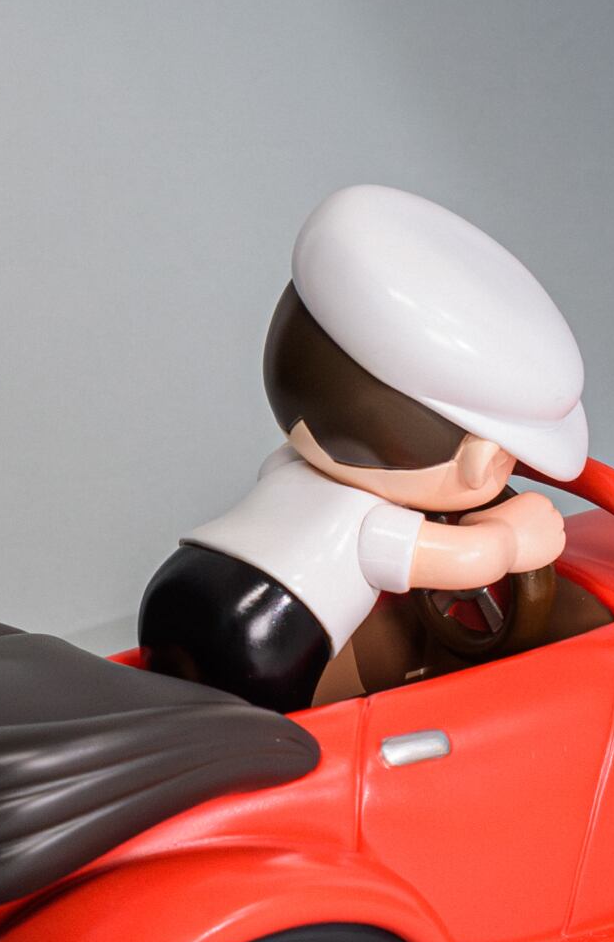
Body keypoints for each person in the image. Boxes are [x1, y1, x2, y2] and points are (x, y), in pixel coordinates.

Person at [140, 184, 588, 712]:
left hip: (176, 586)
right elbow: (467, 558)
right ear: (480, 461)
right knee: (276, 712)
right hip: (261, 642)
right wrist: (512, 539)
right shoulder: (370, 527)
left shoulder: (289, 463)